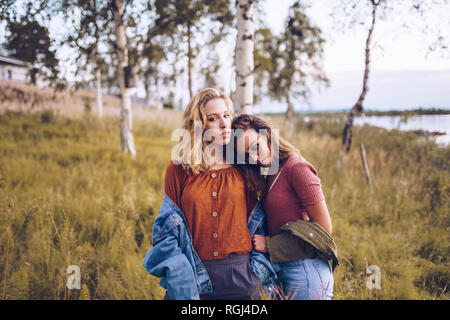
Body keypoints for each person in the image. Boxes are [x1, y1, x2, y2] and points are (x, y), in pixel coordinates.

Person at [142, 88, 276, 300]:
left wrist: (255, 271)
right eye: (213, 118)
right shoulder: (178, 169)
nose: (224, 124)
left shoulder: (244, 163)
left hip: (241, 278)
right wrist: (182, 282)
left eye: (226, 115)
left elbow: (262, 219)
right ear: (199, 124)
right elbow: (166, 231)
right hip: (191, 276)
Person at [231, 114, 339, 300]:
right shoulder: (273, 171)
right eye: (248, 156)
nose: (255, 158)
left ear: (266, 134)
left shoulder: (297, 168)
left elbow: (325, 228)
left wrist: (270, 245)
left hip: (306, 270)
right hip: (286, 266)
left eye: (255, 147)